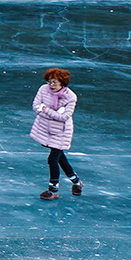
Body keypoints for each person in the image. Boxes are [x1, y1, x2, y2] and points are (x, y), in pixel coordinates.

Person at [30, 68, 83, 200]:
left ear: (62, 83)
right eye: (49, 82)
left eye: (54, 82)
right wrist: (53, 114)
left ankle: (53, 190)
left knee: (52, 159)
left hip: (61, 132)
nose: (51, 85)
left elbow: (64, 117)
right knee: (60, 158)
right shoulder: (43, 89)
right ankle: (76, 182)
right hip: (46, 129)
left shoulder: (70, 97)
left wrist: (45, 109)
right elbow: (35, 106)